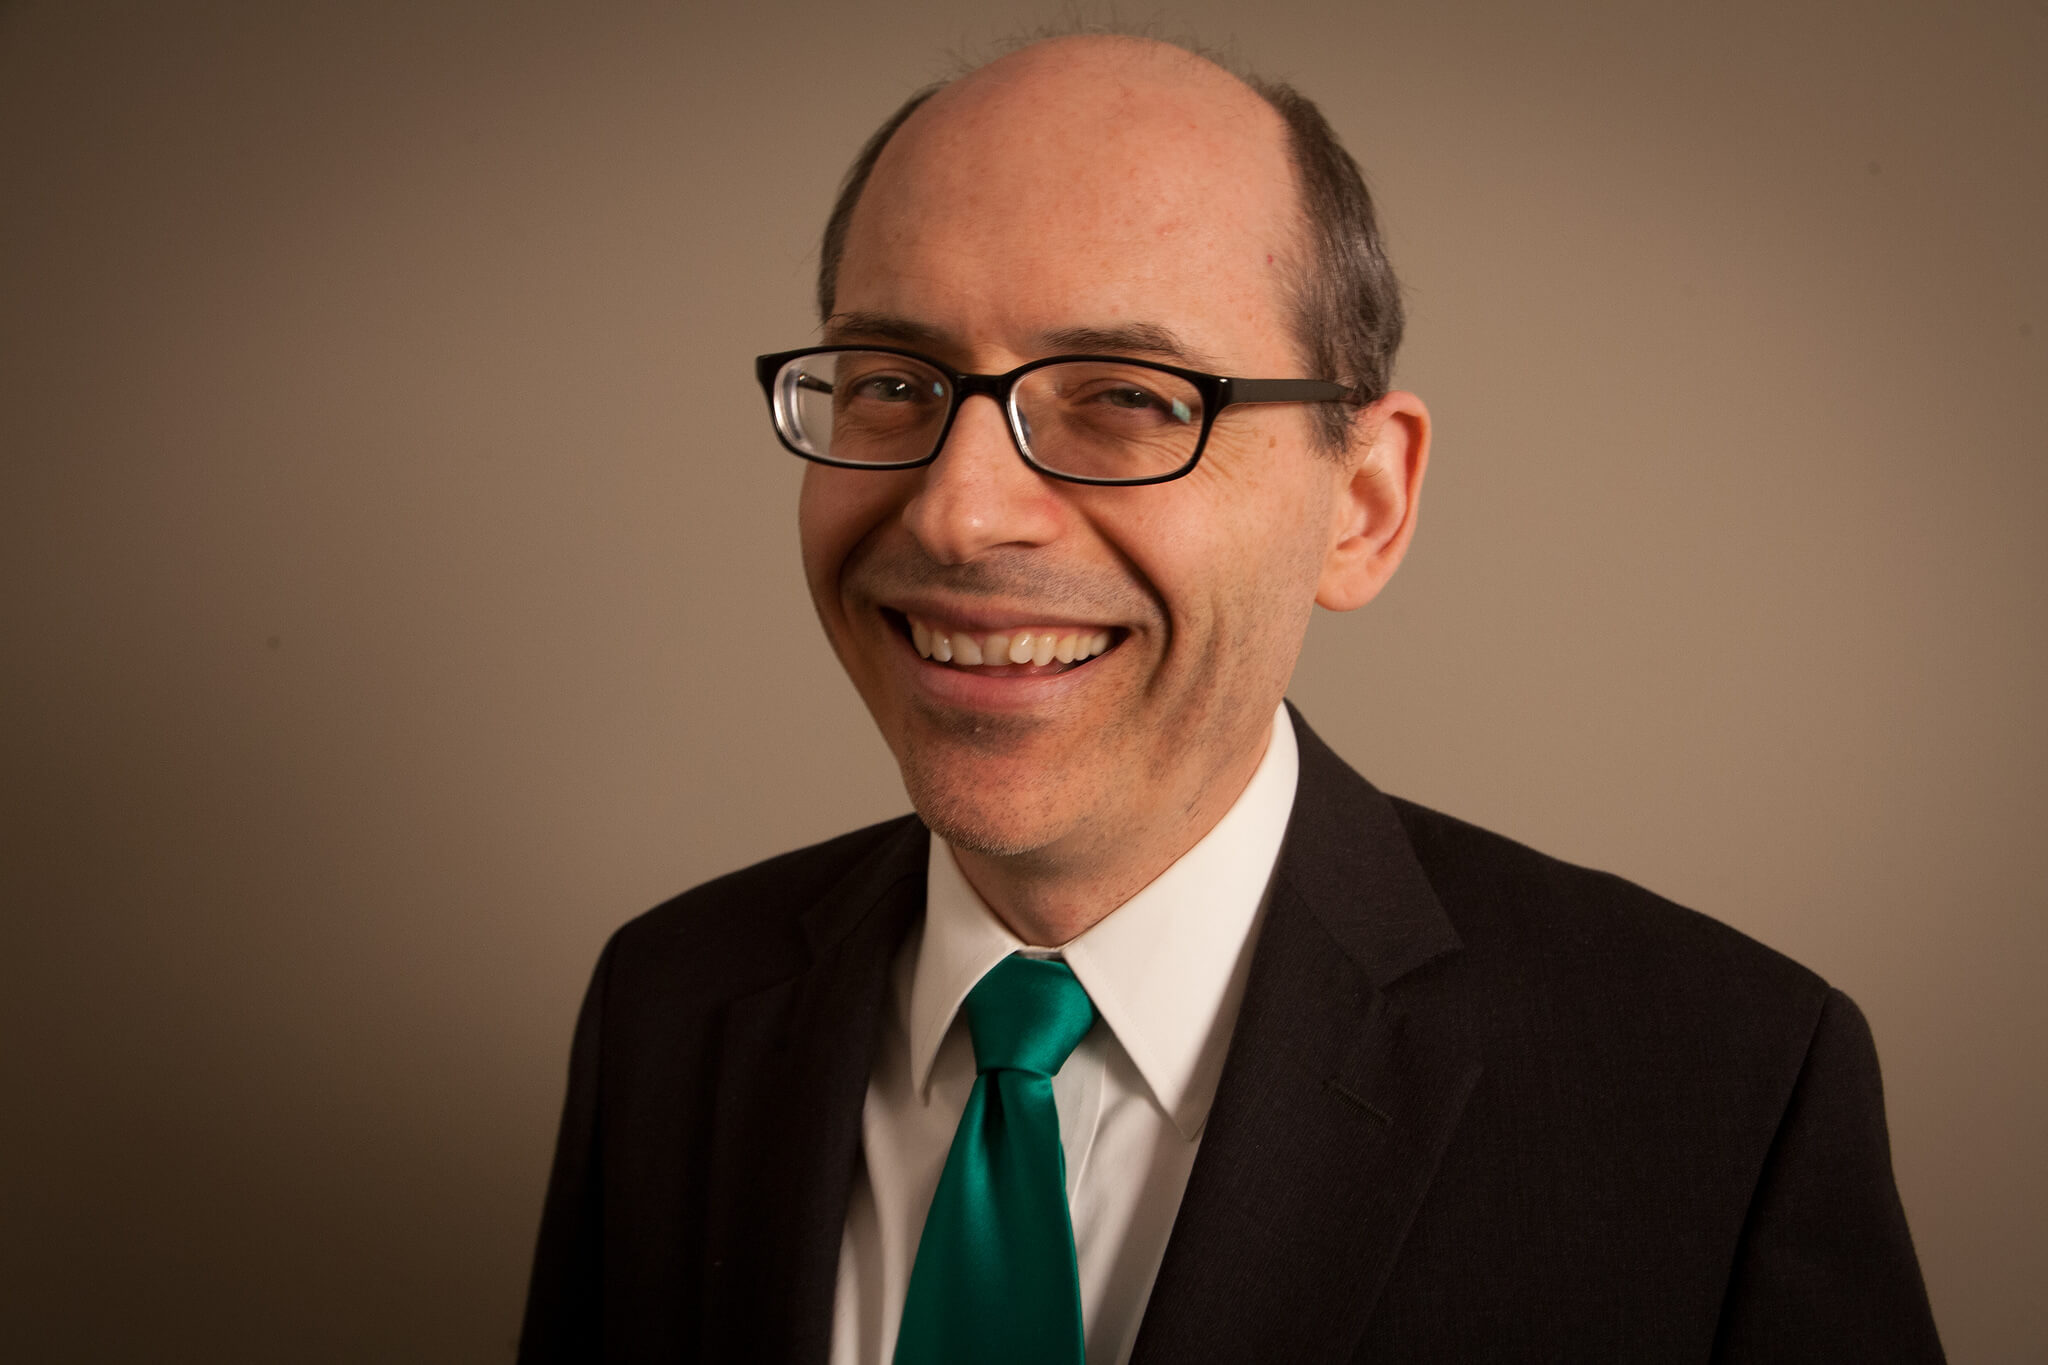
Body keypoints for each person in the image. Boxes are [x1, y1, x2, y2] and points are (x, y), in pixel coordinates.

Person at [519, 34, 1942, 1364]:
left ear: (1363, 505)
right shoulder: (671, 1002)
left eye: (1128, 397)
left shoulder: (1722, 1091)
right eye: (894, 380)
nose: (959, 512)